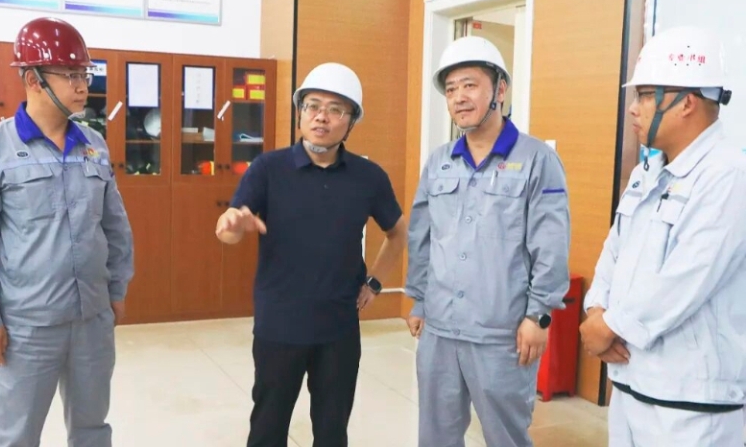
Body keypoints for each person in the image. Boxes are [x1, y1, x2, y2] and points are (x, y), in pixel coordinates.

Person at [215, 62, 406, 447]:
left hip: (339, 327)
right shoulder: (268, 168)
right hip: (279, 324)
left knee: (332, 430)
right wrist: (233, 224)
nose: (321, 116)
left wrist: (375, 282)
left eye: (336, 109)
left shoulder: (368, 177)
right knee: (268, 427)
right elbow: (227, 230)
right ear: (300, 112)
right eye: (313, 106)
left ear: (351, 122)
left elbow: (399, 232)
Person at [580, 25, 746, 447]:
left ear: (687, 102)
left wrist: (610, 326)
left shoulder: (729, 175)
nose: (634, 109)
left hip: (691, 402)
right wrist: (595, 309)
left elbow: (687, 276)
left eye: (646, 95)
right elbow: (614, 251)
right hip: (631, 380)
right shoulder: (648, 172)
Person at [405, 35, 571, 447]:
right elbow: (422, 236)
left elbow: (550, 244)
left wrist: (539, 315)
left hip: (502, 333)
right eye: (451, 89)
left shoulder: (537, 160)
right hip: (440, 328)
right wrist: (419, 299)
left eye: (470, 85)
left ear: (499, 89)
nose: (459, 98)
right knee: (436, 436)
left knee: (505, 437)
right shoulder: (439, 161)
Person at [0, 17, 134, 446]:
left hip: (92, 319)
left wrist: (116, 289)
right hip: (26, 326)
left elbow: (115, 225)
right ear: (33, 79)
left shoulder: (93, 144)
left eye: (84, 74)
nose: (82, 86)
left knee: (92, 429)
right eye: (70, 75)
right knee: (13, 435)